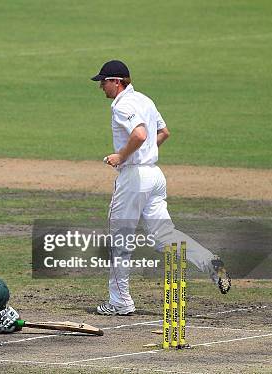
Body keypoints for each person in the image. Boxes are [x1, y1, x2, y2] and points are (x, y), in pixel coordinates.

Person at [91, 60, 231, 316]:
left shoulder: (123, 105)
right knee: (164, 235)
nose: (101, 86)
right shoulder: (145, 100)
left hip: (134, 178)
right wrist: (145, 153)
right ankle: (209, 263)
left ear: (117, 81)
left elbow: (141, 135)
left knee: (119, 242)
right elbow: (164, 132)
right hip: (155, 176)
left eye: (104, 81)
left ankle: (120, 302)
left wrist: (122, 156)